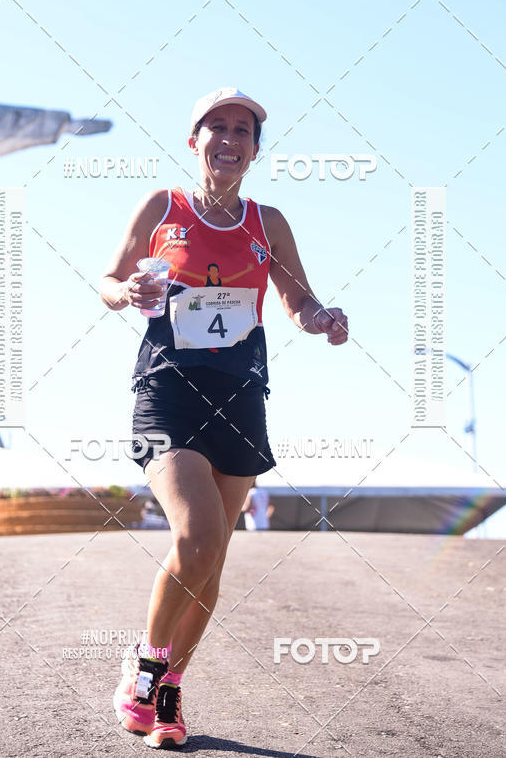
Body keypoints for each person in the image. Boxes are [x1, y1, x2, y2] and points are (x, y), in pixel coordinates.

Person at [99, 86, 348, 749]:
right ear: (195, 140)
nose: (231, 138)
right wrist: (125, 290)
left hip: (239, 395)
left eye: (244, 129)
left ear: (256, 149)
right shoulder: (163, 206)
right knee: (199, 534)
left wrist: (320, 318)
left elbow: (297, 296)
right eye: (217, 126)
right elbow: (109, 279)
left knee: (213, 561)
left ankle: (171, 686)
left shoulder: (269, 223)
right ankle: (145, 670)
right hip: (168, 390)